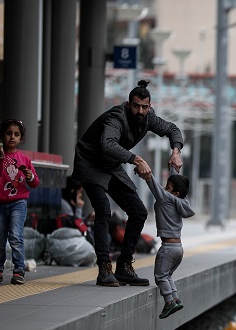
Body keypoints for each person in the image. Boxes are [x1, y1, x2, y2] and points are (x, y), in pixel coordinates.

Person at [72, 79, 184, 287]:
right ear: (128, 104)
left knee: (138, 211)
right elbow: (108, 144)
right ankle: (104, 268)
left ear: (149, 107)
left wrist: (176, 151)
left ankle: (123, 265)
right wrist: (137, 160)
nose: (140, 111)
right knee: (103, 211)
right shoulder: (116, 117)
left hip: (111, 166)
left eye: (144, 107)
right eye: (136, 106)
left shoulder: (149, 118)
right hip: (90, 162)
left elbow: (172, 128)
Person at [0, 118, 40, 284]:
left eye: (16, 134)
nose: (12, 137)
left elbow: (35, 183)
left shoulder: (25, 159)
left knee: (16, 236)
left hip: (19, 202)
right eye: (9, 133)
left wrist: (30, 176)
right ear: (2, 136)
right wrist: (1, 157)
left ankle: (18, 271)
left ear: (21, 138)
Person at [145, 173, 195, 319]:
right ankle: (175, 299)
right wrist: (174, 167)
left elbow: (153, 184)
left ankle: (169, 302)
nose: (164, 188)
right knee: (168, 275)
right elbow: (173, 181)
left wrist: (145, 172)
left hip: (167, 248)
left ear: (176, 193)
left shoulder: (166, 198)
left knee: (160, 276)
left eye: (167, 187)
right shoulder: (181, 200)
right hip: (178, 248)